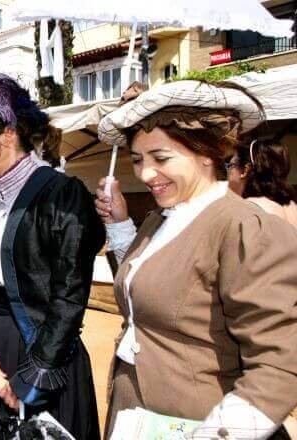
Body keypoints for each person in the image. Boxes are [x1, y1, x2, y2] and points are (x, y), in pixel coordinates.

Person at [95, 80, 297, 439]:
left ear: (208, 153)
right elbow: (152, 283)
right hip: (136, 418)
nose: (144, 174)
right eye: (138, 160)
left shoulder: (244, 226)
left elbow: (278, 366)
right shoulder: (160, 218)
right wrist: (121, 224)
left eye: (161, 158)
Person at [0, 74, 104, 439]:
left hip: (49, 354)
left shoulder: (63, 195)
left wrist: (37, 373)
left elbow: (70, 296)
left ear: (7, 133)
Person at [227, 139, 297, 227]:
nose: (228, 171)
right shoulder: (292, 207)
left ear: (245, 170)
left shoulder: (246, 210)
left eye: (230, 165)